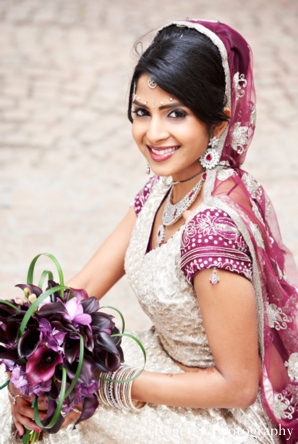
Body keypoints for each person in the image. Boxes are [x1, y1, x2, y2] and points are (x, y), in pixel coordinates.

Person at [1, 19, 298, 444]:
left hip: (216, 412)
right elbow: (81, 289)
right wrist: (29, 364)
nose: (153, 134)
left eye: (175, 113)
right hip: (162, 362)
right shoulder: (165, 188)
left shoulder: (212, 231)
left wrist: (104, 386)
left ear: (217, 122)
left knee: (62, 432)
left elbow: (236, 386)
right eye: (143, 112)